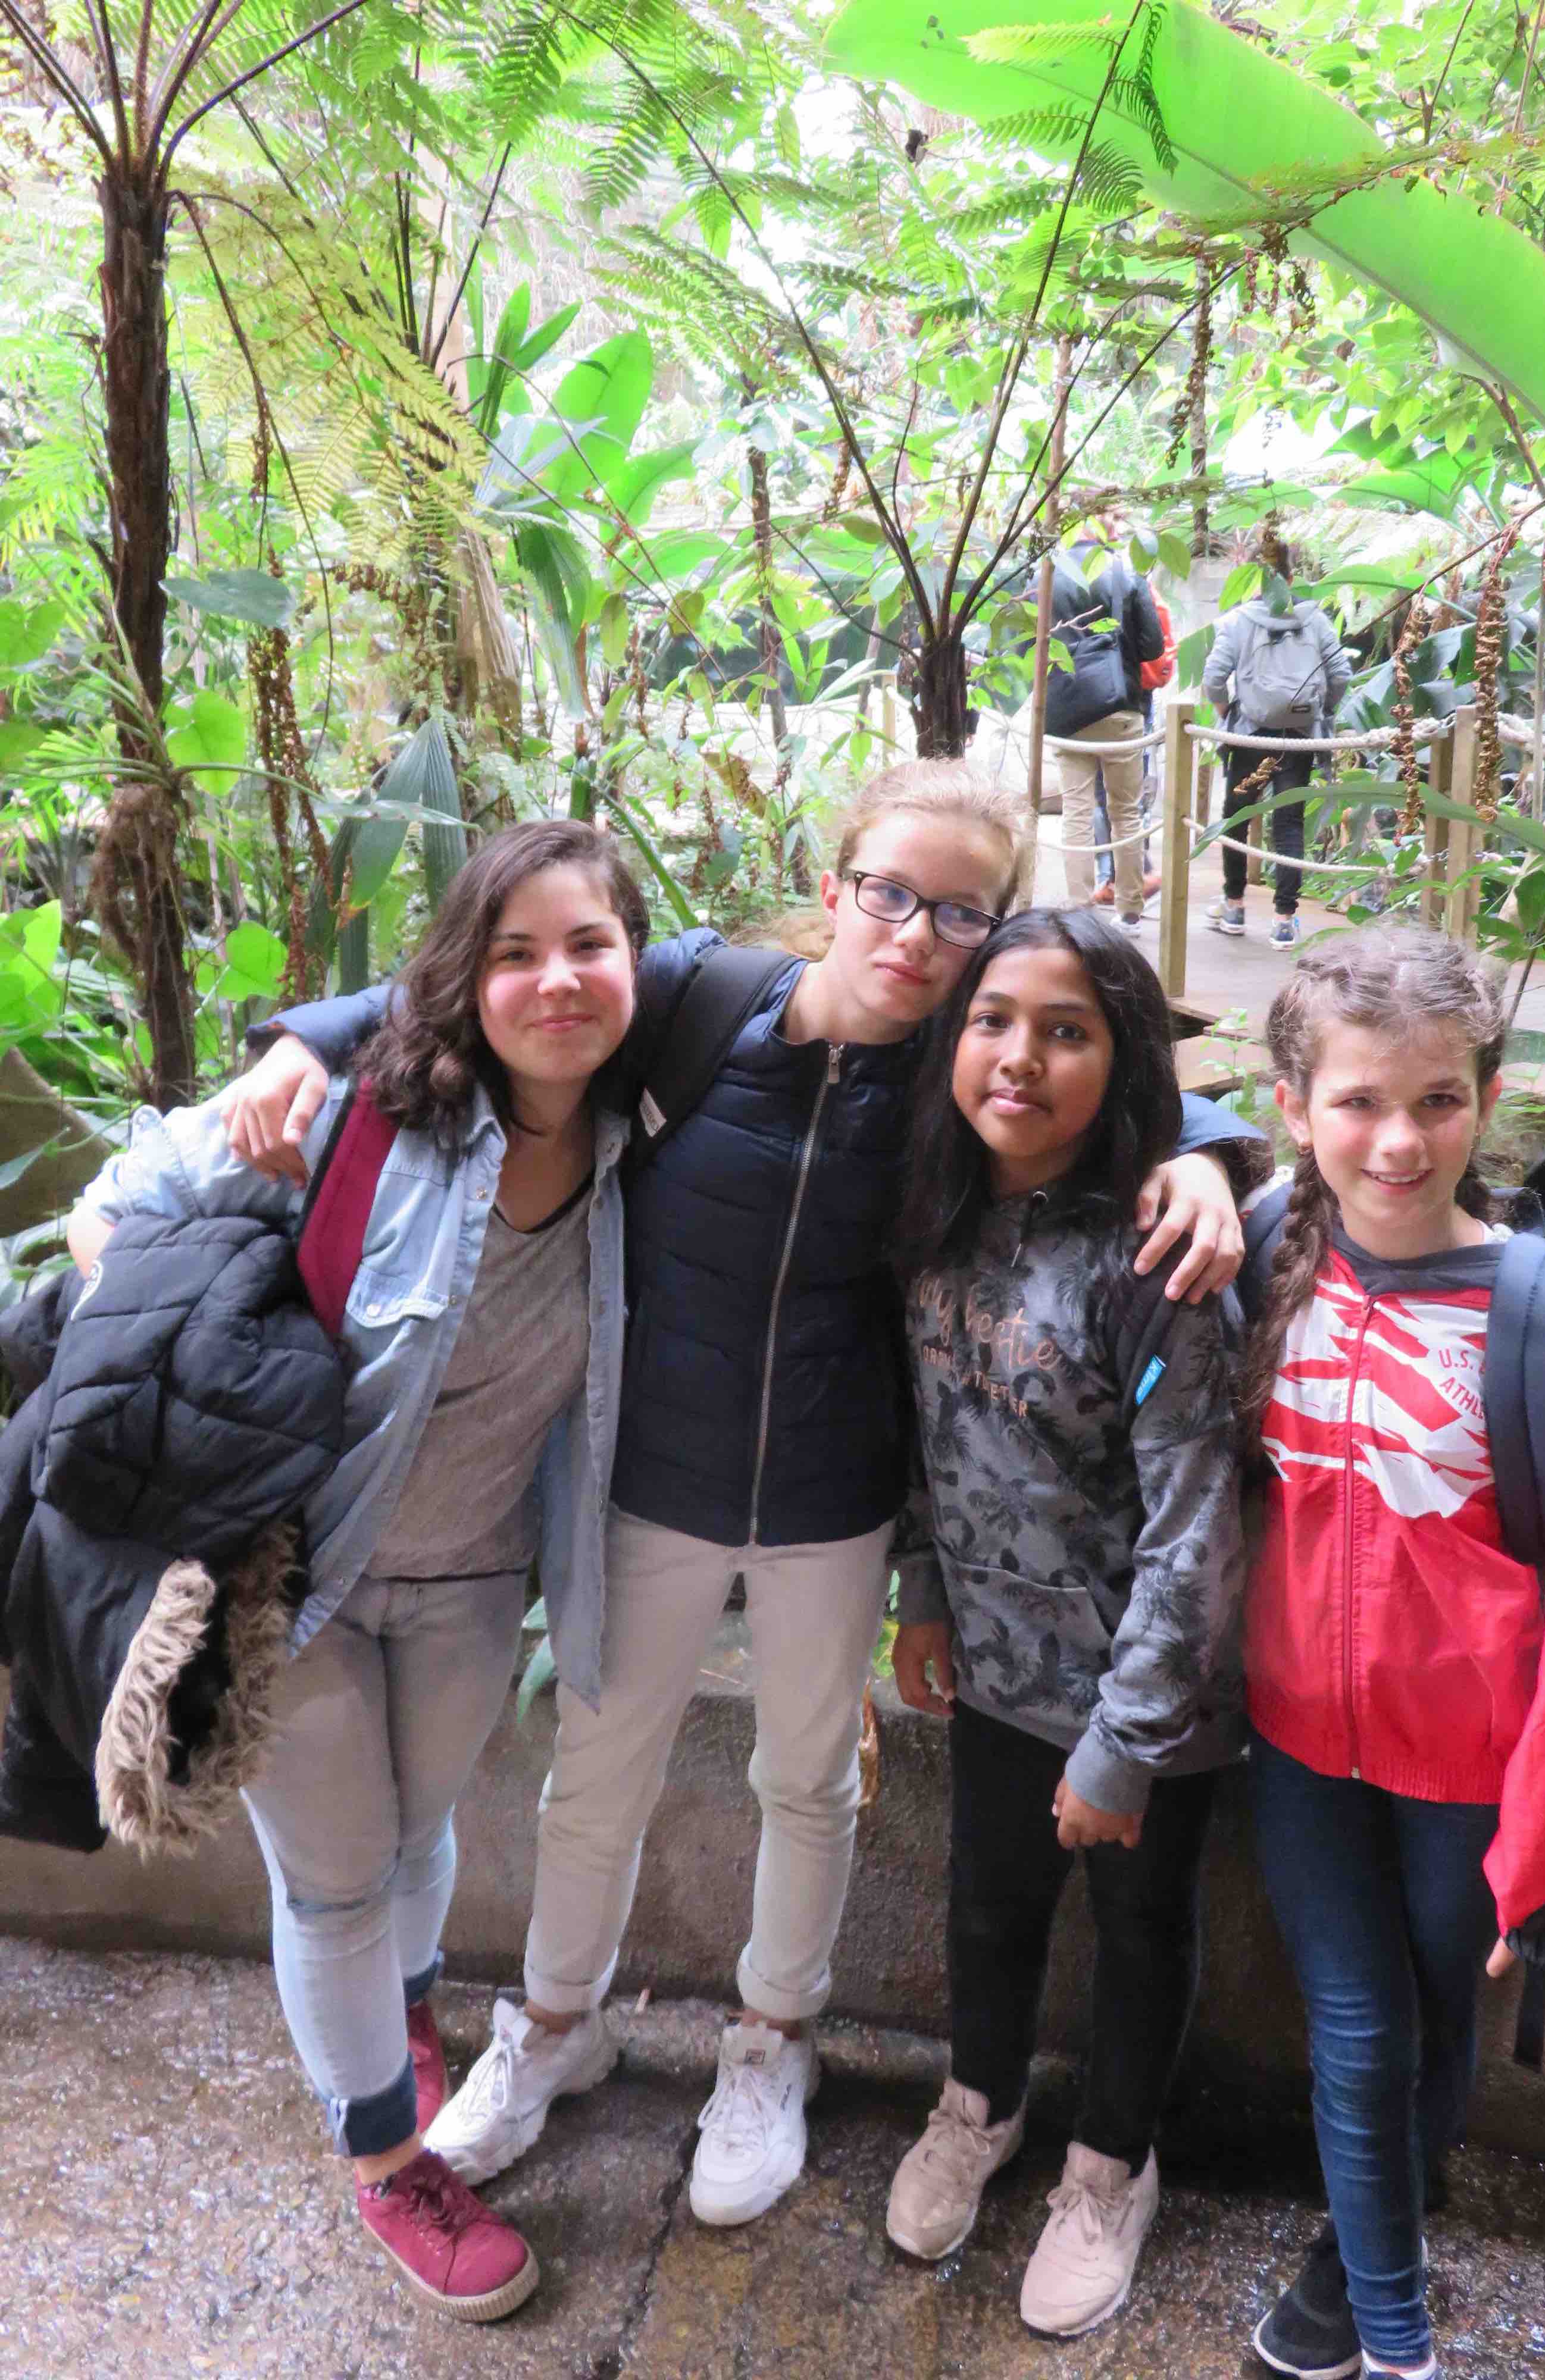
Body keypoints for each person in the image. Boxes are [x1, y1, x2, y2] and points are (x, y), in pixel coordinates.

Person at [218, 760, 1252, 2235]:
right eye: (889, 893)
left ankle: (771, 2042)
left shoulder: (959, 1076)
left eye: (960, 912)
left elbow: (1123, 1090)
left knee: (808, 1778)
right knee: (599, 1770)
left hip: (836, 1493)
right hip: (655, 1475)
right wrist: (297, 1042)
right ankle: (554, 2023)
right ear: (836, 888)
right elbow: (494, 993)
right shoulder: (698, 1002)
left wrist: (1208, 1160)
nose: (916, 933)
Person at [65, 820, 650, 2323]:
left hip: (475, 1576)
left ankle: (397, 2019)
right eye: (514, 952)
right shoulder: (356, 1114)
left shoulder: (649, 1133)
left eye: (588, 944)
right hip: (293, 1580)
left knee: (416, 1836)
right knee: (334, 1882)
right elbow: (111, 1204)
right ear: (465, 974)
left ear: (638, 962)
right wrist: (175, 1337)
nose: (557, 979)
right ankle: (388, 2157)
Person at [1238, 928, 1545, 2380]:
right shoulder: (1253, 1257)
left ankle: (1359, 2247)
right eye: (1358, 1102)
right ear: (1294, 1107)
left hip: (1475, 1769)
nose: (1399, 1140)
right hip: (1294, 1740)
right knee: (1359, 2029)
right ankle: (1399, 2339)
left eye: (1438, 1100)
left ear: (1486, 1100)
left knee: (1437, 2020)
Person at [884, 907, 1260, 2337]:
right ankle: (977, 2103)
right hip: (993, 1665)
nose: (1020, 1058)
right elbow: (927, 1436)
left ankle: (1110, 2164)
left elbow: (1194, 1523)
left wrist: (1125, 1737)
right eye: (992, 1021)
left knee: (1140, 1926)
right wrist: (925, 1594)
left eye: (1066, 1030)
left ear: (1125, 1057)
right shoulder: (935, 1217)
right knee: (988, 1904)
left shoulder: (1157, 1264)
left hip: (1143, 1692)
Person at [1201, 537, 1350, 948]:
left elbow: (1214, 678)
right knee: (1288, 824)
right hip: (1298, 736)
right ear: (1291, 577)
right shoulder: (1315, 620)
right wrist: (1322, 711)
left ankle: (1234, 906)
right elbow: (1341, 674)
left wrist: (1225, 710)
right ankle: (1285, 920)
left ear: (1254, 577)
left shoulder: (1238, 621)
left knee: (1236, 817)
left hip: (1248, 733)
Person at [1034, 527, 1164, 924]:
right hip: (1119, 705)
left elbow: (1027, 646)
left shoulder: (1045, 574)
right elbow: (1153, 647)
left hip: (1067, 709)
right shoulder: (1125, 572)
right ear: (1103, 528)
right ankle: (1130, 908)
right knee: (1125, 811)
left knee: (1076, 811)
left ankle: (1080, 912)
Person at [1092, 582, 1177, 905]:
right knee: (1125, 795)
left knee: (1111, 796)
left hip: (1110, 696)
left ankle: (1133, 877)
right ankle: (1122, 878)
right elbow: (1155, 645)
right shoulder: (1139, 584)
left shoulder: (1104, 582)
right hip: (1137, 697)